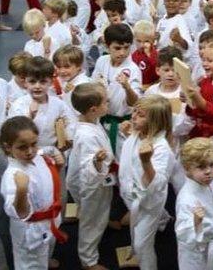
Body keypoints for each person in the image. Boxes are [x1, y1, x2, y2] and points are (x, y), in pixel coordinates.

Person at [0, 116, 66, 269]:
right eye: (22, 147)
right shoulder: (13, 176)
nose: (30, 151)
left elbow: (45, 183)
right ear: (8, 147)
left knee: (44, 252)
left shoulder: (39, 157)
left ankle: (45, 260)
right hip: (30, 231)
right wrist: (21, 190)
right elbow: (21, 214)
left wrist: (57, 167)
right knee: (30, 264)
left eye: (34, 144)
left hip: (48, 221)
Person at [118, 95, 175, 270]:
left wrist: (146, 162)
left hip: (148, 202)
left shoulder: (161, 149)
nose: (133, 116)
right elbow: (132, 152)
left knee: (143, 245)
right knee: (138, 230)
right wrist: (129, 132)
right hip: (131, 194)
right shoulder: (139, 133)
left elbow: (157, 183)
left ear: (155, 122)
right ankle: (163, 219)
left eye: (141, 115)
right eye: (134, 111)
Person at [66, 83, 114, 270]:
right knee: (91, 221)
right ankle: (88, 260)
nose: (108, 103)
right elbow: (88, 167)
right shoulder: (87, 135)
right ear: (94, 109)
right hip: (93, 184)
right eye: (106, 102)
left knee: (94, 213)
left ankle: (100, 218)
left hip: (84, 180)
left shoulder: (89, 121)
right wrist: (97, 161)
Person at [176, 137, 213, 270]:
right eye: (201, 167)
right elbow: (183, 233)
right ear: (187, 169)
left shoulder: (211, 181)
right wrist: (196, 223)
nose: (208, 171)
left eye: (212, 165)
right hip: (196, 254)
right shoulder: (186, 198)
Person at [91, 24, 142, 158]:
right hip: (102, 121)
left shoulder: (133, 69)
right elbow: (93, 87)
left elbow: (134, 103)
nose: (122, 53)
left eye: (126, 48)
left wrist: (127, 87)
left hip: (122, 125)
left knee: (122, 163)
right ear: (108, 47)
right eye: (117, 48)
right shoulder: (102, 61)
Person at [8, 56, 75, 149]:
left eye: (43, 82)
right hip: (29, 155)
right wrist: (30, 116)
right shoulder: (18, 105)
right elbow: (14, 134)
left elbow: (71, 123)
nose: (37, 86)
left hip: (55, 154)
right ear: (25, 82)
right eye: (32, 82)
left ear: (51, 82)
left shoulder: (58, 104)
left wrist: (67, 140)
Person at [131, 20, 159, 88]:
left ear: (152, 41)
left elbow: (158, 73)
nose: (142, 45)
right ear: (134, 39)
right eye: (139, 41)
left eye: (146, 41)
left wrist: (149, 56)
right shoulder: (134, 55)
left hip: (152, 87)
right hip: (137, 86)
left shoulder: (156, 55)